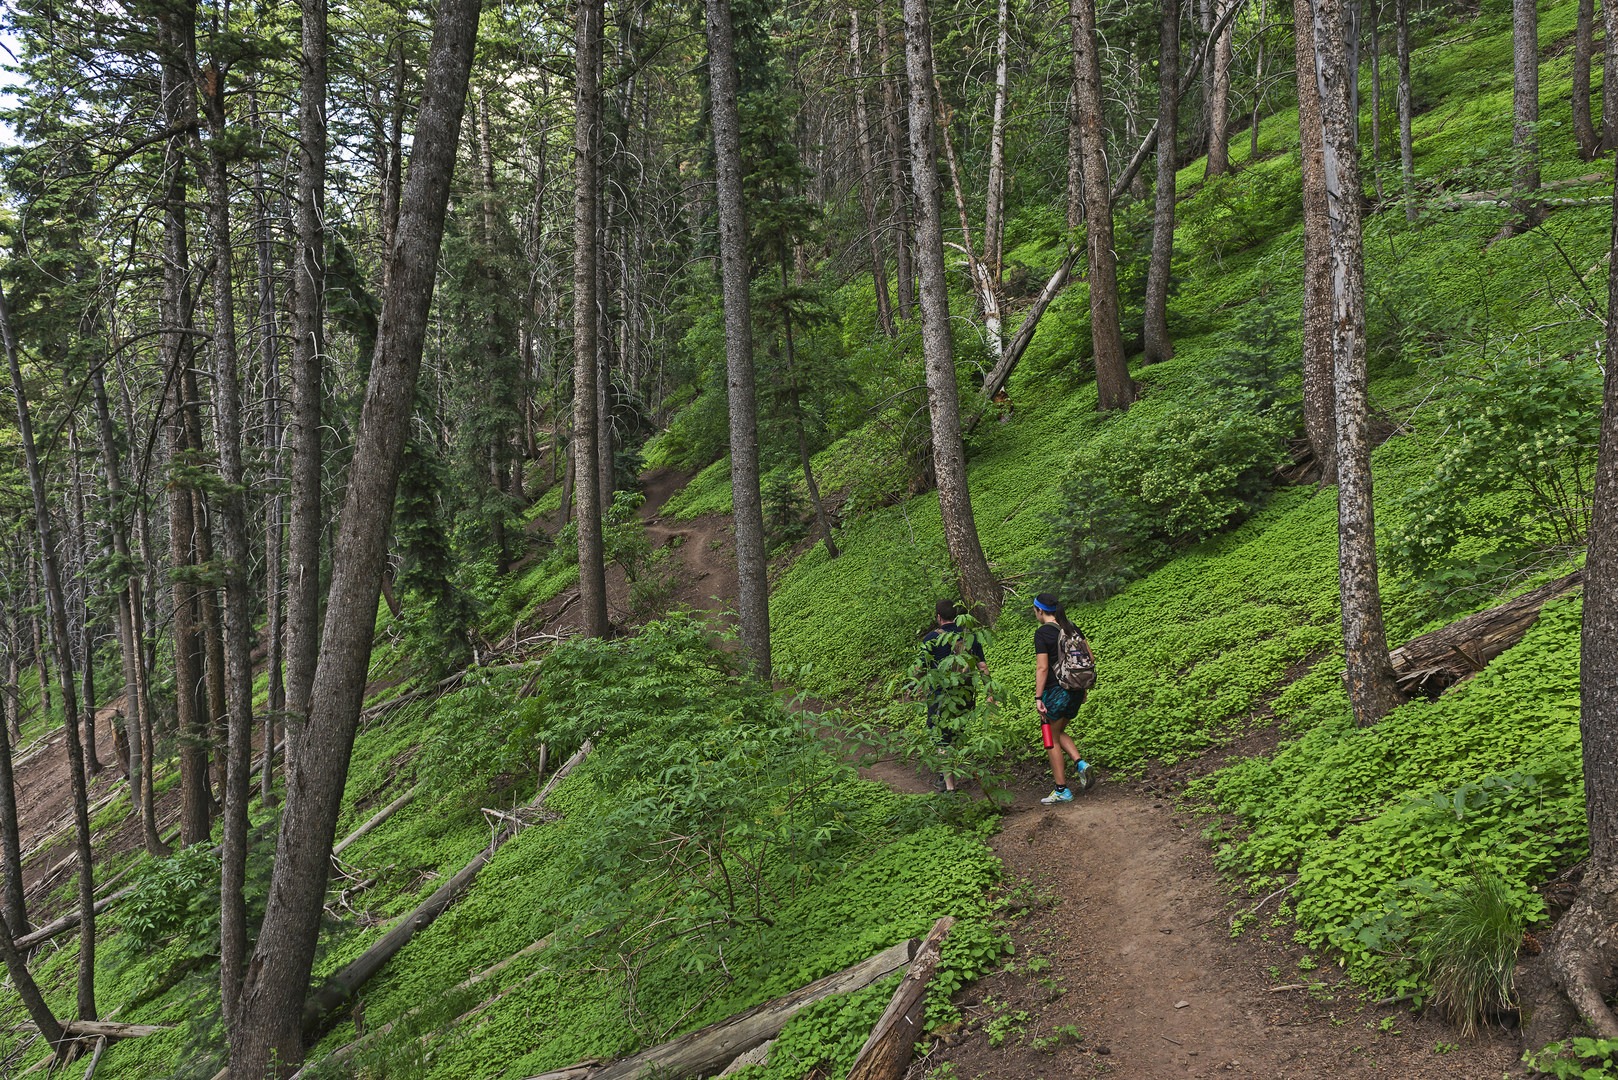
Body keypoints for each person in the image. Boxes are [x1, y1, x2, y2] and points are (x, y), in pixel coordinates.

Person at [920, 598, 990, 793]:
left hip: (940, 695)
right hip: (965, 694)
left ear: (939, 617)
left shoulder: (930, 639)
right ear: (957, 617)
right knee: (956, 734)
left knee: (942, 738)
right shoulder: (970, 637)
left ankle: (949, 785)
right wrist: (989, 692)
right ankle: (949, 771)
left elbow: (922, 667)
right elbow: (982, 666)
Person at [1032, 592, 1093, 804]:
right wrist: (1083, 688)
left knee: (1050, 738)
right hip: (1076, 690)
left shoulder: (1043, 633)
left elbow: (1042, 668)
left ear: (1040, 611)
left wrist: (1038, 697)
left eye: (1035, 609)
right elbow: (1089, 658)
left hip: (1056, 691)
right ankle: (1080, 763)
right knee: (1058, 731)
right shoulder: (1072, 627)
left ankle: (1062, 790)